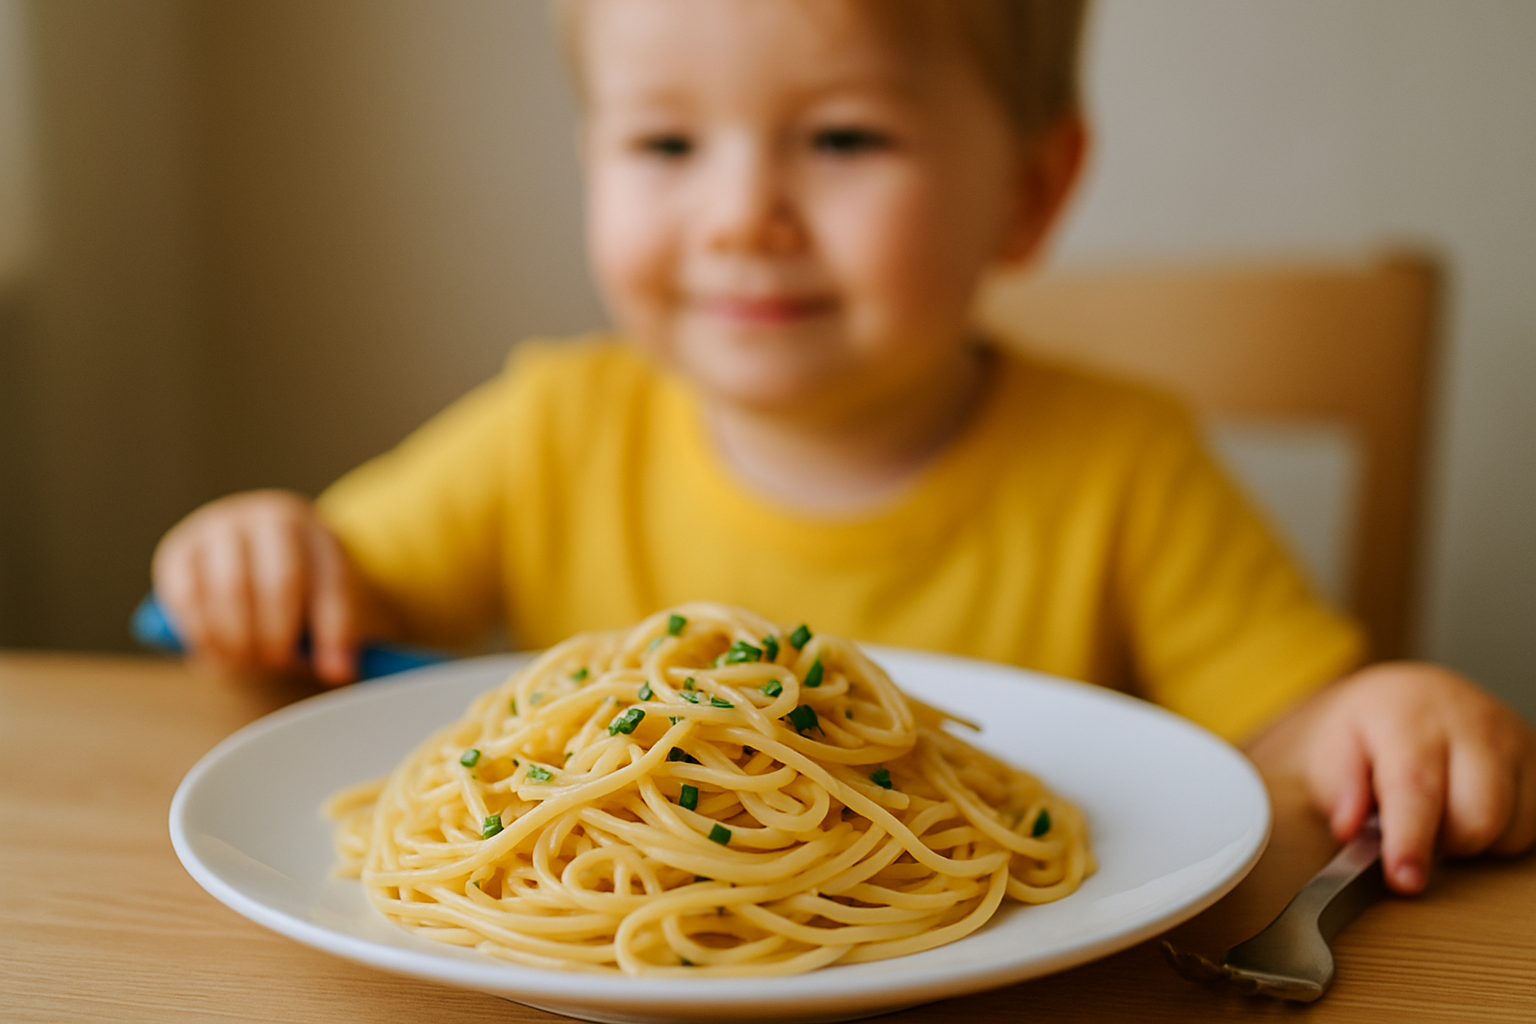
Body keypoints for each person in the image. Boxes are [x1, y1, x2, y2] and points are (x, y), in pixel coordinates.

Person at [152, 0, 1534, 896]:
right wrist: (263, 557)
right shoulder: (547, 428)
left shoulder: (1126, 467)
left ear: (1031, 190)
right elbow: (324, 621)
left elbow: (1289, 735)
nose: (743, 213)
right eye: (666, 141)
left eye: (843, 137)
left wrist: (1380, 719)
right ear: (591, 160)